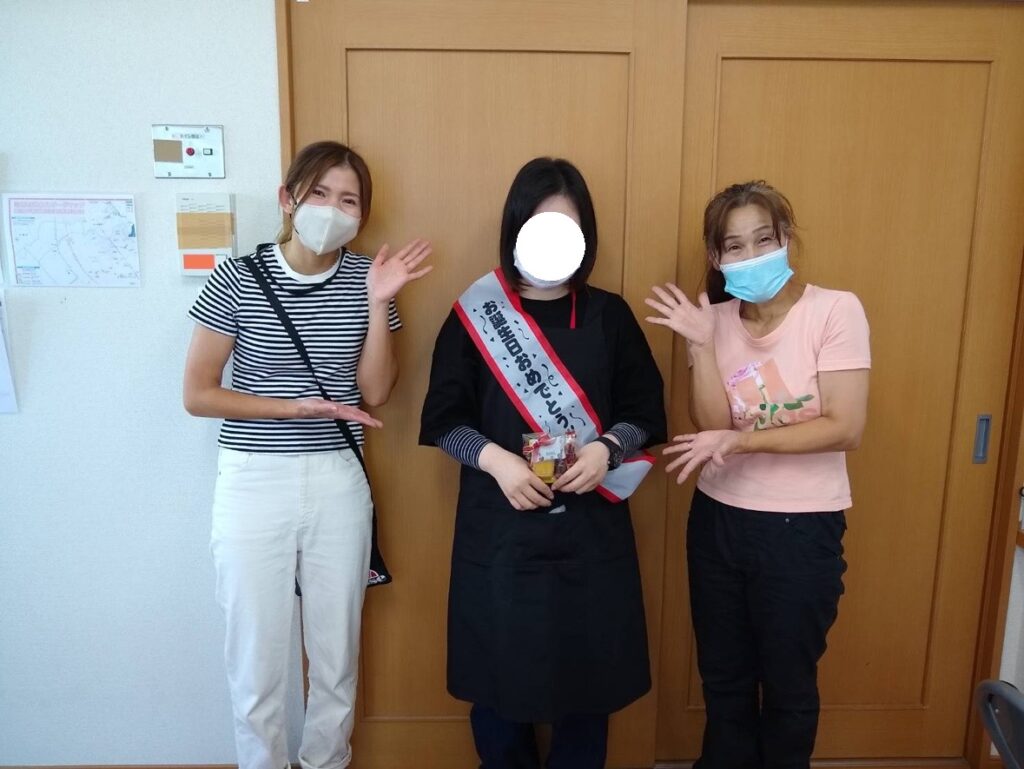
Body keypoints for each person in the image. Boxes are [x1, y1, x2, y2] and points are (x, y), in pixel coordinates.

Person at [183, 140, 431, 769]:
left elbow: (377, 391)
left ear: (362, 215)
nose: (332, 209)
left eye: (348, 200)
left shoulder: (369, 276)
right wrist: (292, 409)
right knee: (255, 657)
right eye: (319, 193)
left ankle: (327, 761)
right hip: (252, 477)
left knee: (335, 653)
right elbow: (198, 394)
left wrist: (379, 301)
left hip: (337, 478)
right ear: (287, 199)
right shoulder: (237, 276)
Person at [420, 157, 666, 769]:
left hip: (591, 532)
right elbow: (443, 420)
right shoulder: (474, 314)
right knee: (497, 685)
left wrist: (607, 448)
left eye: (567, 226)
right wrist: (496, 461)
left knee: (589, 683)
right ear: (515, 228)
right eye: (539, 224)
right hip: (500, 532)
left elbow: (645, 412)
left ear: (586, 234)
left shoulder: (610, 315)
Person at [644, 180, 870, 769]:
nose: (751, 255)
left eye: (763, 240)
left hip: (802, 529)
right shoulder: (711, 320)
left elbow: (846, 426)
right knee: (724, 682)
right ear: (717, 257)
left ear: (786, 238)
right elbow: (712, 425)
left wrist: (743, 441)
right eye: (734, 246)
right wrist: (700, 346)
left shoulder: (834, 310)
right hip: (719, 521)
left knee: (789, 686)